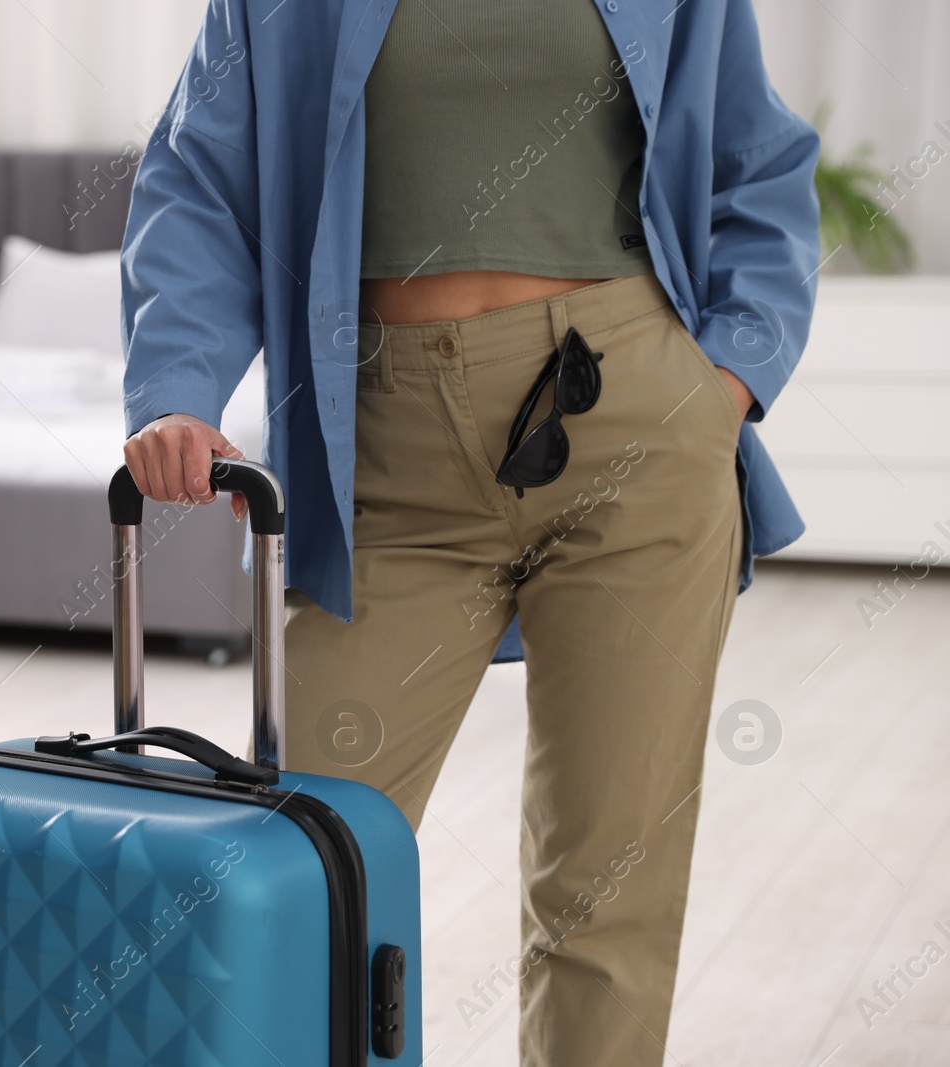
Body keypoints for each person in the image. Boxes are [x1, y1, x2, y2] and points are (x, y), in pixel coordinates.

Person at [118, 1, 820, 1064]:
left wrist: (721, 385)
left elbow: (757, 162)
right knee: (296, 861)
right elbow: (200, 176)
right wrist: (175, 386)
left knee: (605, 888)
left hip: (633, 418)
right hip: (385, 449)